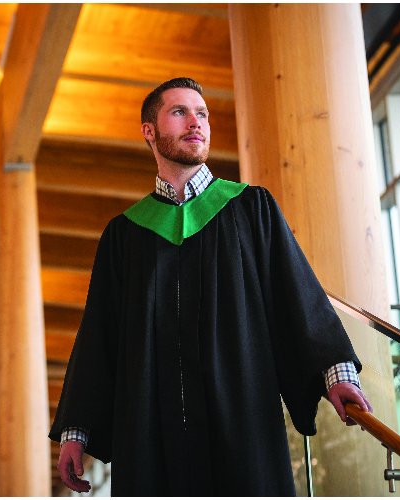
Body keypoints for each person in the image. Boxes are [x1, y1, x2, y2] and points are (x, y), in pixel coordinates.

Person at [49, 77, 371, 495]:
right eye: (179, 112)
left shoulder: (251, 209)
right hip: (151, 435)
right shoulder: (124, 236)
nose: (195, 122)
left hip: (241, 426)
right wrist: (75, 431)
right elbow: (99, 336)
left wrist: (336, 373)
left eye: (201, 113)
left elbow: (297, 296)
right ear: (149, 130)